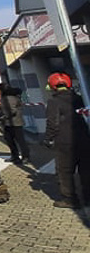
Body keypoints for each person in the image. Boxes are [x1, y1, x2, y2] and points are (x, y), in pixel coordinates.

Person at [43, 72, 90, 209]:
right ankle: (88, 197)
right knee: (86, 170)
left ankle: (70, 199)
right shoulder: (80, 99)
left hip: (65, 142)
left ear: (53, 86)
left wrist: (48, 138)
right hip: (84, 140)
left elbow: (53, 123)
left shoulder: (54, 102)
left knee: (65, 171)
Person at [0, 83, 30, 165]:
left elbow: (12, 110)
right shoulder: (8, 97)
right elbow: (3, 109)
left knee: (19, 141)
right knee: (10, 140)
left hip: (15, 123)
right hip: (11, 123)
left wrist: (3, 117)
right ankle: (16, 156)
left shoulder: (9, 98)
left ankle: (25, 157)